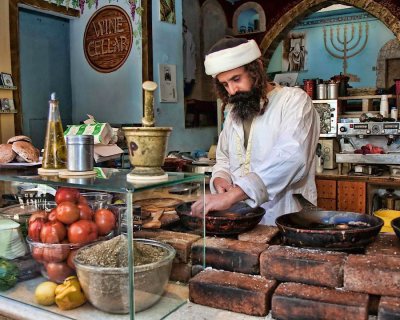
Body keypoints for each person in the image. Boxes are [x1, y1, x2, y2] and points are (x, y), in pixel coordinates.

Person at [191, 37, 320, 225]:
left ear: (256, 69)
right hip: (242, 216)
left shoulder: (294, 101)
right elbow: (224, 158)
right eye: (225, 84)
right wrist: (220, 178)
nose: (233, 90)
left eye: (236, 79)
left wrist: (235, 194)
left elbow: (292, 157)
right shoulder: (234, 111)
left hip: (285, 216)